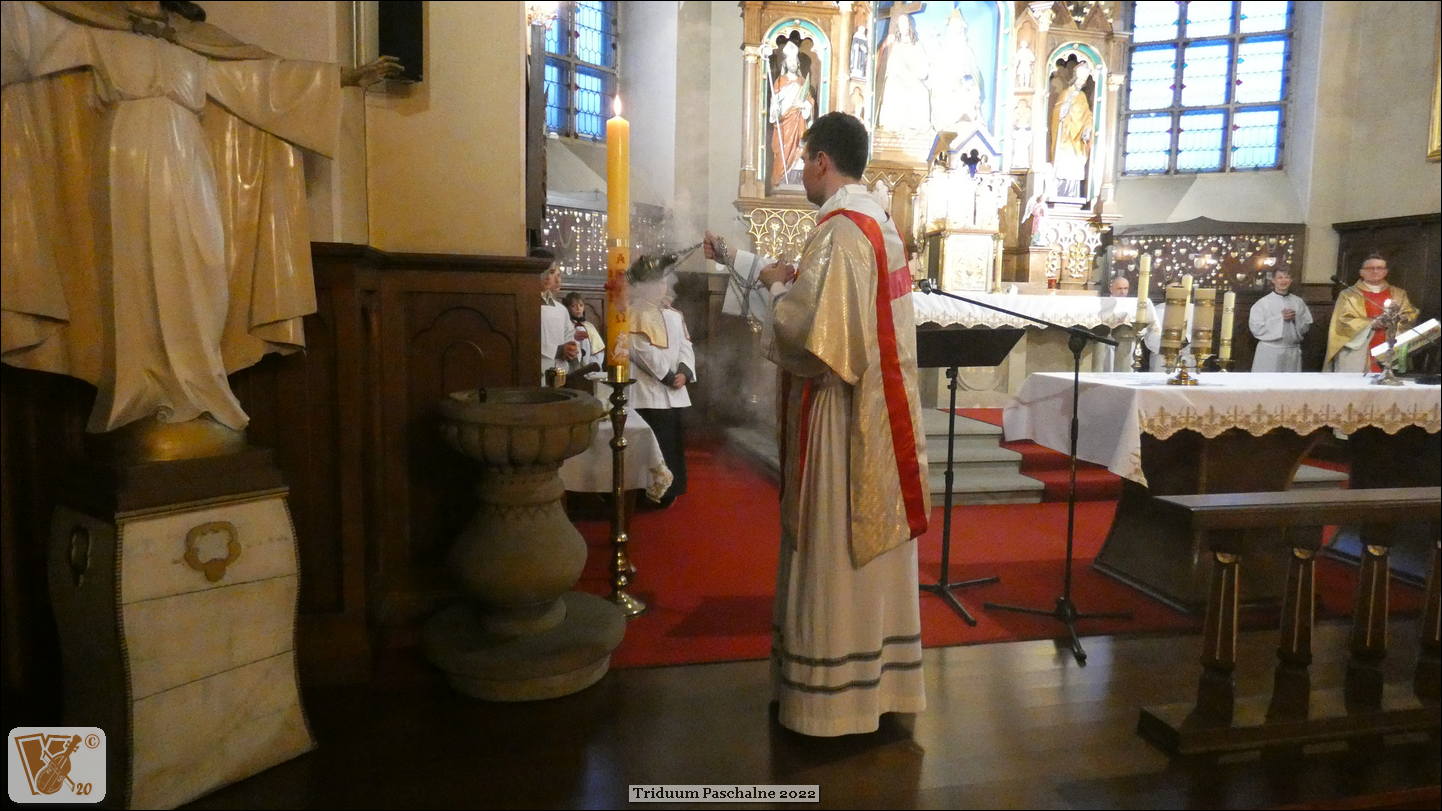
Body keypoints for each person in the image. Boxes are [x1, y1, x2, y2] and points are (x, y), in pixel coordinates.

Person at [0, 0, 400, 434]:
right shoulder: (95, 31)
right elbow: (27, 38)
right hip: (129, 152)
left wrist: (344, 77)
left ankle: (198, 383)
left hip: (190, 156)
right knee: (138, 265)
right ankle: (140, 388)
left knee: (201, 262)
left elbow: (261, 81)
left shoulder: (191, 43)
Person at [707, 112, 928, 737]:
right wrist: (779, 278)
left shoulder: (841, 230)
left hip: (840, 414)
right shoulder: (878, 223)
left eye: (804, 159)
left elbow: (814, 336)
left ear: (823, 161)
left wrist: (779, 292)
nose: (801, 169)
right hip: (874, 409)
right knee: (867, 552)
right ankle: (878, 684)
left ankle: (831, 700)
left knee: (834, 542)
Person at [626, 256, 695, 507]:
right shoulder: (634, 312)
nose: (662, 287)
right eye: (656, 282)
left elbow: (686, 346)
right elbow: (639, 348)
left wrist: (684, 372)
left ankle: (671, 490)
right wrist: (667, 375)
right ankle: (646, 495)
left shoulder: (674, 315)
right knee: (651, 445)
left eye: (664, 282)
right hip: (647, 392)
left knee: (671, 445)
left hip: (673, 391)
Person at [1326, 253, 1419, 372]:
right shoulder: (1348, 294)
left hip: (1390, 344)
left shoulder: (1399, 293)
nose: (1375, 271)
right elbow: (1342, 321)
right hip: (1359, 348)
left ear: (1386, 271)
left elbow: (1410, 314)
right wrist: (1371, 324)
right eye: (1370, 268)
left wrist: (1400, 319)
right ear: (1361, 272)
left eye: (1379, 268)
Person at [1248, 268, 1313, 372]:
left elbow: (1306, 325)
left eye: (1287, 277)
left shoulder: (1298, 302)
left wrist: (1295, 319)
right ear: (1273, 280)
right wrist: (1280, 318)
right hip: (1270, 350)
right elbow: (1256, 328)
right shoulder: (1263, 303)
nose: (1283, 281)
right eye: (1280, 277)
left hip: (1292, 350)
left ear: (1291, 280)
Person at [769, 41, 814, 187]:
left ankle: (796, 178)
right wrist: (775, 109)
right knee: (783, 150)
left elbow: (809, 102)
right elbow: (774, 102)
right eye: (790, 61)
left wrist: (804, 105)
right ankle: (780, 179)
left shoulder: (802, 82)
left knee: (800, 149)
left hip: (799, 121)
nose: (792, 63)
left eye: (794, 61)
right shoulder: (780, 81)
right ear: (785, 64)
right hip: (784, 122)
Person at [1049, 58, 1094, 198]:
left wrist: (1087, 128)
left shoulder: (1082, 96)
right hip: (1065, 137)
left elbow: (1087, 115)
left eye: (1083, 81)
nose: (1081, 83)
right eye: (1079, 80)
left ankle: (1072, 195)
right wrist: (1064, 112)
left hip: (1078, 139)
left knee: (1075, 169)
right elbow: (1057, 113)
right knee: (1063, 166)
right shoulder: (1065, 93)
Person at [1096, 277, 1160, 373]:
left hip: (1126, 340)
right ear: (1111, 289)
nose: (1123, 292)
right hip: (1106, 342)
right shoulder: (1104, 303)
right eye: (1119, 288)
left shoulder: (1132, 304)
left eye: (1125, 288)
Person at [534, 249, 577, 382]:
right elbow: (526, 338)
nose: (548, 277)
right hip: (537, 370)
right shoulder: (526, 304)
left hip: (560, 372)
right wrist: (557, 351)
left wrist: (572, 349)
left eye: (552, 272)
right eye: (546, 272)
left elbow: (569, 336)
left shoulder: (561, 309)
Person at [561, 292, 605, 373]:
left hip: (588, 368)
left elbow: (598, 351)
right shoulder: (565, 326)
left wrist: (589, 366)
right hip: (569, 368)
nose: (578, 309)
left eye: (581, 305)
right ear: (567, 308)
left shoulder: (589, 327)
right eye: (573, 306)